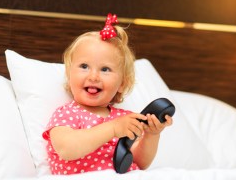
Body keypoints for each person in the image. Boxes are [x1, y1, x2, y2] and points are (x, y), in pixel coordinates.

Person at [42, 13, 173, 175]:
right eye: (84, 66)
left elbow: (140, 163)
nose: (93, 76)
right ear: (69, 76)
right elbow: (66, 149)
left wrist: (152, 135)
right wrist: (113, 129)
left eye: (105, 69)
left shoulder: (126, 119)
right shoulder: (67, 114)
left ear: (122, 84)